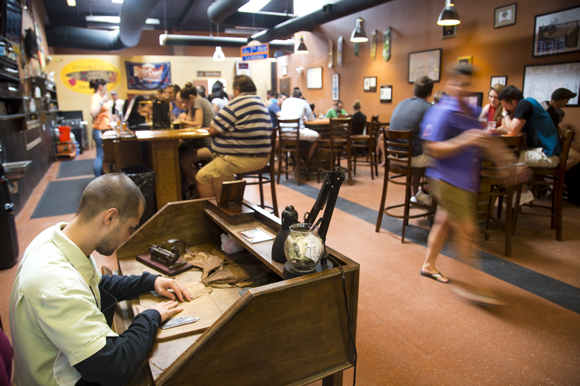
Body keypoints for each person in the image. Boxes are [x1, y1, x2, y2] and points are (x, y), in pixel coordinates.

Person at [9, 174, 192, 386]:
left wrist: (150, 282)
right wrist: (150, 317)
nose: (128, 237)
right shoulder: (58, 284)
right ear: (110, 217)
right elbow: (114, 367)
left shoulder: (56, 239)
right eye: (130, 228)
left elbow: (97, 284)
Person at [420, 64, 527, 305]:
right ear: (449, 83)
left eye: (466, 84)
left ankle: (428, 265)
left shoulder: (471, 111)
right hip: (445, 178)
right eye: (457, 83)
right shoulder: (442, 111)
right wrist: (463, 140)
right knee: (467, 230)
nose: (462, 88)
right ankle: (474, 287)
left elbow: (486, 141)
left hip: (464, 180)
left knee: (443, 221)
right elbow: (433, 148)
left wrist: (508, 164)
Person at [196, 75, 272, 198]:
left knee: (203, 176)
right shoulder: (260, 102)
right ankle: (228, 204)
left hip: (243, 158)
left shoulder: (237, 104)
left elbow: (213, 129)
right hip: (262, 157)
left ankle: (214, 214)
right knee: (217, 167)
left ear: (237, 89)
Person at [381, 76, 434, 204]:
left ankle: (414, 196)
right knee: (443, 160)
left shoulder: (401, 103)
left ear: (413, 90)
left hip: (393, 158)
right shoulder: (429, 108)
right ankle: (425, 192)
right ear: (430, 93)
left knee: (417, 150)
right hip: (411, 160)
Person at [178, 86, 215, 196]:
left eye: (186, 102)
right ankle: (196, 187)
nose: (185, 105)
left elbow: (197, 123)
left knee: (184, 162)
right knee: (181, 157)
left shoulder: (199, 101)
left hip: (212, 146)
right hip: (207, 144)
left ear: (190, 97)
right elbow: (192, 123)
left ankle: (200, 187)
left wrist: (181, 121)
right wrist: (189, 108)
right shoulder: (202, 101)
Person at [279, 88, 321, 164]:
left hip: (283, 133)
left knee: (292, 139)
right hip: (296, 132)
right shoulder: (303, 102)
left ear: (291, 95)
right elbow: (311, 118)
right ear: (301, 96)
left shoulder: (285, 101)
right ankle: (306, 160)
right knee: (318, 136)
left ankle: (292, 157)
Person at [89, 79, 110, 177]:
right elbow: (93, 112)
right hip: (99, 130)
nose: (106, 89)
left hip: (103, 129)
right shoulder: (96, 98)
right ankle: (97, 180)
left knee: (102, 155)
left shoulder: (99, 97)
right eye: (105, 86)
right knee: (100, 156)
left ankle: (101, 178)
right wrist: (102, 102)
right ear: (100, 86)